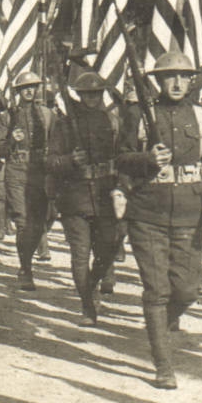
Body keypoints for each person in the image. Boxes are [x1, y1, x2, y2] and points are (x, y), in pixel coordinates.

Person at [115, 51, 202, 389]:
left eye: (183, 76)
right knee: (157, 289)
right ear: (158, 81)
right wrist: (146, 158)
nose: (177, 83)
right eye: (169, 77)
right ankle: (163, 365)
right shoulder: (139, 115)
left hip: (189, 216)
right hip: (147, 213)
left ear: (192, 80)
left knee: (188, 289)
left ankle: (158, 329)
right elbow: (120, 158)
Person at [46, 72, 118, 325]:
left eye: (96, 93)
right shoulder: (65, 124)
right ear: (79, 95)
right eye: (87, 94)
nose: (92, 98)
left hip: (104, 195)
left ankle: (93, 284)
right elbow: (50, 161)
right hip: (75, 197)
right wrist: (70, 160)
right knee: (80, 255)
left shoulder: (111, 122)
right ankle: (87, 306)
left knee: (108, 249)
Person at [3, 70, 55, 290]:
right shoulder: (8, 116)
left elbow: (56, 142)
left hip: (40, 171)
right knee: (23, 222)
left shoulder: (48, 115)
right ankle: (26, 269)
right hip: (17, 169)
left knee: (41, 221)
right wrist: (11, 141)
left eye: (33, 87)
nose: (29, 91)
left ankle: (28, 258)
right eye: (25, 88)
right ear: (18, 91)